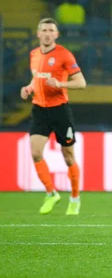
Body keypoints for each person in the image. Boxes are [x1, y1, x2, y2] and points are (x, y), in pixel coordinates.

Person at [20, 18, 87, 215]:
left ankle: (75, 198)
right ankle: (51, 193)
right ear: (38, 34)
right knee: (35, 153)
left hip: (60, 110)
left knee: (68, 157)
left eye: (51, 30)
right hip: (39, 109)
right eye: (44, 30)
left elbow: (81, 83)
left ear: (56, 35)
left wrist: (60, 84)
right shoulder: (33, 54)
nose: (48, 33)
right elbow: (37, 76)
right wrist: (29, 88)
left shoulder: (64, 55)